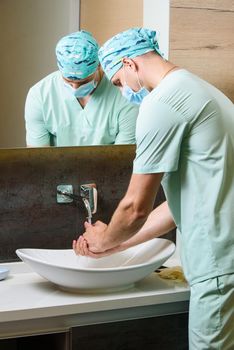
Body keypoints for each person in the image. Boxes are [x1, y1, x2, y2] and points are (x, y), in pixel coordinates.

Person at [73, 28, 234, 349]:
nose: (121, 92)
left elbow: (135, 207)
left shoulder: (162, 103)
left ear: (129, 63)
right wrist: (116, 246)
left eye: (118, 82)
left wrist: (103, 238)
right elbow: (181, 205)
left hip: (217, 263)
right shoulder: (205, 92)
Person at [24, 30, 138, 146]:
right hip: (55, 164)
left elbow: (123, 155)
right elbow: (38, 157)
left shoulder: (124, 95)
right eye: (68, 81)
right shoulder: (40, 95)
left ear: (99, 66)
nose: (75, 88)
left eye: (83, 82)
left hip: (111, 164)